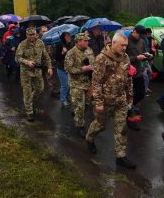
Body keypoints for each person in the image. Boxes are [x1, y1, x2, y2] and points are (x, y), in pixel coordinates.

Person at [86, 33, 136, 169]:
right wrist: (99, 102)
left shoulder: (125, 58)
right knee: (100, 125)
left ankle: (121, 156)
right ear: (113, 43)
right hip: (105, 101)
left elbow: (128, 79)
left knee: (121, 129)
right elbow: (96, 82)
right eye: (122, 45)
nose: (125, 48)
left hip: (120, 100)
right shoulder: (102, 58)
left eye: (126, 45)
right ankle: (90, 138)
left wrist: (130, 98)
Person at [15, 27, 53, 122]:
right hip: (26, 72)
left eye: (33, 34)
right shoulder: (22, 44)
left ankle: (29, 102)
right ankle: (29, 112)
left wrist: (49, 67)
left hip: (37, 71)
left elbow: (46, 56)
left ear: (36, 34)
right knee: (27, 92)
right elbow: (17, 58)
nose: (32, 36)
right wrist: (26, 61)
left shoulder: (40, 43)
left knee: (40, 88)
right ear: (27, 35)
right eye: (30, 35)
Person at [64, 33, 95, 138]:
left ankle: (76, 113)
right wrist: (82, 69)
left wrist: (93, 69)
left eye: (87, 40)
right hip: (76, 84)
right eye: (85, 40)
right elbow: (68, 69)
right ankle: (80, 126)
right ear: (78, 42)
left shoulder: (89, 50)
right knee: (80, 106)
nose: (87, 42)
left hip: (88, 82)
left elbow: (94, 63)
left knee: (88, 104)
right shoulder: (71, 53)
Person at [126, 25, 151, 112]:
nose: (140, 38)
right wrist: (136, 58)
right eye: (139, 35)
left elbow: (144, 53)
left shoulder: (141, 41)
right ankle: (130, 112)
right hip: (129, 74)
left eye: (142, 36)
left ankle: (128, 108)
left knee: (141, 93)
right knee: (130, 94)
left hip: (139, 72)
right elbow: (122, 59)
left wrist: (148, 56)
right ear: (135, 31)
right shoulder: (126, 41)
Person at [54, 32, 74, 107]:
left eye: (69, 36)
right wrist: (62, 53)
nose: (69, 38)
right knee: (65, 84)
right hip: (61, 68)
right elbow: (56, 57)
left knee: (69, 84)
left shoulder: (70, 44)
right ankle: (63, 100)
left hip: (69, 68)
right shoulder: (59, 44)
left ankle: (66, 96)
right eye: (67, 36)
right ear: (64, 37)